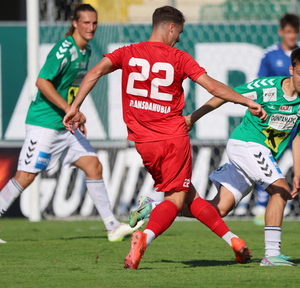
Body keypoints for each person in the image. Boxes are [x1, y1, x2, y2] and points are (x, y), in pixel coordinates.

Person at [63, 6, 266, 270]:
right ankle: (144, 237)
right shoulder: (178, 57)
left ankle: (235, 242)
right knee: (176, 199)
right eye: (178, 33)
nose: (178, 39)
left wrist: (74, 107)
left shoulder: (127, 53)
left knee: (188, 196)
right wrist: (245, 101)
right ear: (170, 27)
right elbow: (213, 87)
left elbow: (94, 73)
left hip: (144, 144)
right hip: (173, 139)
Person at [132, 47, 300, 267]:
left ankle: (154, 208)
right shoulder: (266, 88)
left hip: (260, 153)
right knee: (280, 191)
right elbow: (224, 95)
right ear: (291, 69)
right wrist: (194, 117)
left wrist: (298, 173)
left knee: (218, 210)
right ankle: (271, 254)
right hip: (246, 144)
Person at [0, 4, 142, 244]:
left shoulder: (86, 52)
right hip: (43, 124)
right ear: (75, 23)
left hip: (65, 126)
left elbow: (70, 90)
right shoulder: (65, 49)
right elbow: (42, 82)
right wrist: (69, 110)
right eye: (86, 23)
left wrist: (75, 114)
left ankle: (112, 226)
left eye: (94, 23)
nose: (91, 28)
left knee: (94, 166)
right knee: (25, 176)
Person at [252, 13, 300, 226]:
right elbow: (261, 84)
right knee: (268, 162)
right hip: (277, 121)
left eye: (295, 32)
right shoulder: (269, 55)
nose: (292, 36)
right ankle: (260, 207)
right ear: (281, 32)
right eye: (288, 32)